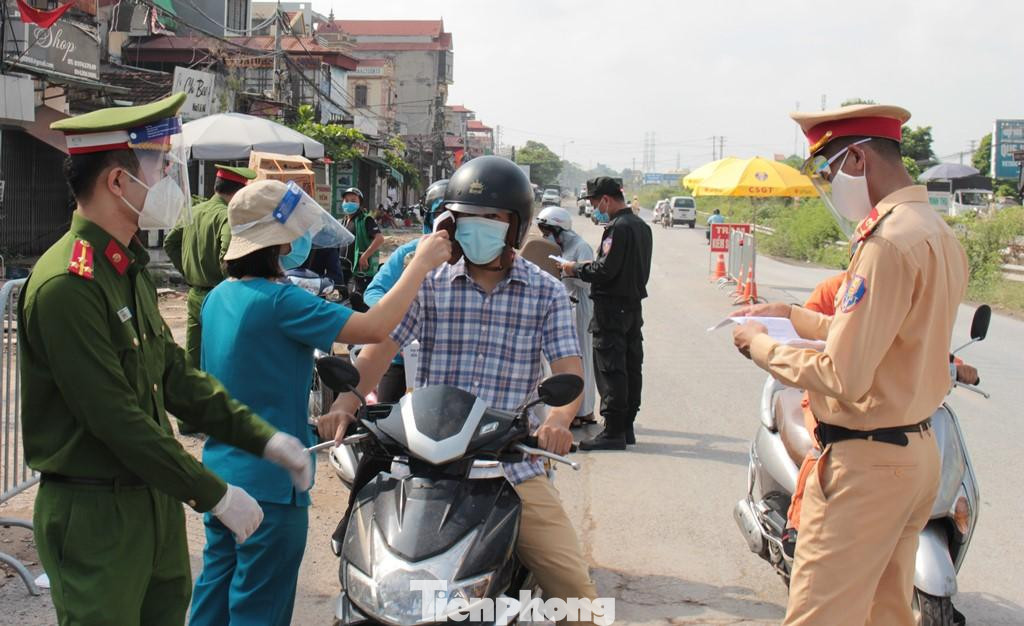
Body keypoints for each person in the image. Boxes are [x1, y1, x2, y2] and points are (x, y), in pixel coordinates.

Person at [19, 93, 313, 626]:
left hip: (150, 499)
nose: (172, 179)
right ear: (116, 182)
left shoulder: (126, 268)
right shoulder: (68, 284)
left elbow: (173, 376)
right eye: (160, 164)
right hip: (95, 513)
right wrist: (216, 494)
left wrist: (263, 436)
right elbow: (115, 418)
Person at [322, 156, 598, 623]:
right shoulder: (428, 283)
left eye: (492, 219)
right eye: (467, 219)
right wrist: (347, 401)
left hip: (509, 468)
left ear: (516, 226)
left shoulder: (545, 292)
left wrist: (556, 420)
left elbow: (569, 372)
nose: (478, 230)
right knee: (363, 563)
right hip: (424, 464)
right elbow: (380, 350)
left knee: (575, 595)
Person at [731, 104, 968, 626]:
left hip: (867, 463)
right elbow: (888, 335)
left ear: (857, 158)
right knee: (885, 612)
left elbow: (845, 374)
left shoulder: (884, 243)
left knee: (820, 615)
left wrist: (760, 346)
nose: (826, 185)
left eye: (826, 170)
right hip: (915, 454)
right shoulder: (934, 231)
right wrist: (791, 315)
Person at [189, 180, 450, 626]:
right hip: (272, 484)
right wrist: (419, 264)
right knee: (259, 607)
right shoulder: (281, 301)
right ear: (279, 241)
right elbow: (374, 327)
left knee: (213, 598)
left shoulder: (217, 298)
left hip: (221, 476)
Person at [561, 176, 652, 450]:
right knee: (629, 367)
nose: (594, 208)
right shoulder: (641, 227)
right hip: (633, 306)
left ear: (605, 200)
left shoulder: (618, 228)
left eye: (593, 202)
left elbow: (606, 270)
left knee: (611, 369)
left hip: (611, 308)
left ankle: (613, 431)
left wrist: (574, 269)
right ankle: (626, 428)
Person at [164, 163, 256, 435]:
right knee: (221, 358)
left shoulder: (196, 211)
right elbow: (229, 258)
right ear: (239, 193)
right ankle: (220, 420)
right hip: (220, 295)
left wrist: (188, 269)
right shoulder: (226, 216)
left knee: (192, 358)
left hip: (194, 292)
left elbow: (170, 242)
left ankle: (188, 419)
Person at [537, 205, 598, 426]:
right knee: (564, 361)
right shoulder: (554, 247)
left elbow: (587, 279)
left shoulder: (581, 247)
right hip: (562, 307)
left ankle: (585, 410)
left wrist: (567, 269)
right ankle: (570, 410)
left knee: (582, 358)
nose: (546, 236)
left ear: (560, 230)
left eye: (549, 231)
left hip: (580, 306)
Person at [340, 186, 384, 310]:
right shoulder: (342, 221)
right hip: (343, 266)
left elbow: (379, 239)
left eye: (353, 200)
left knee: (359, 300)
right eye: (346, 200)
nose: (349, 203)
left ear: (360, 203)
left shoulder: (366, 220)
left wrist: (365, 256)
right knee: (342, 298)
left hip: (360, 269)